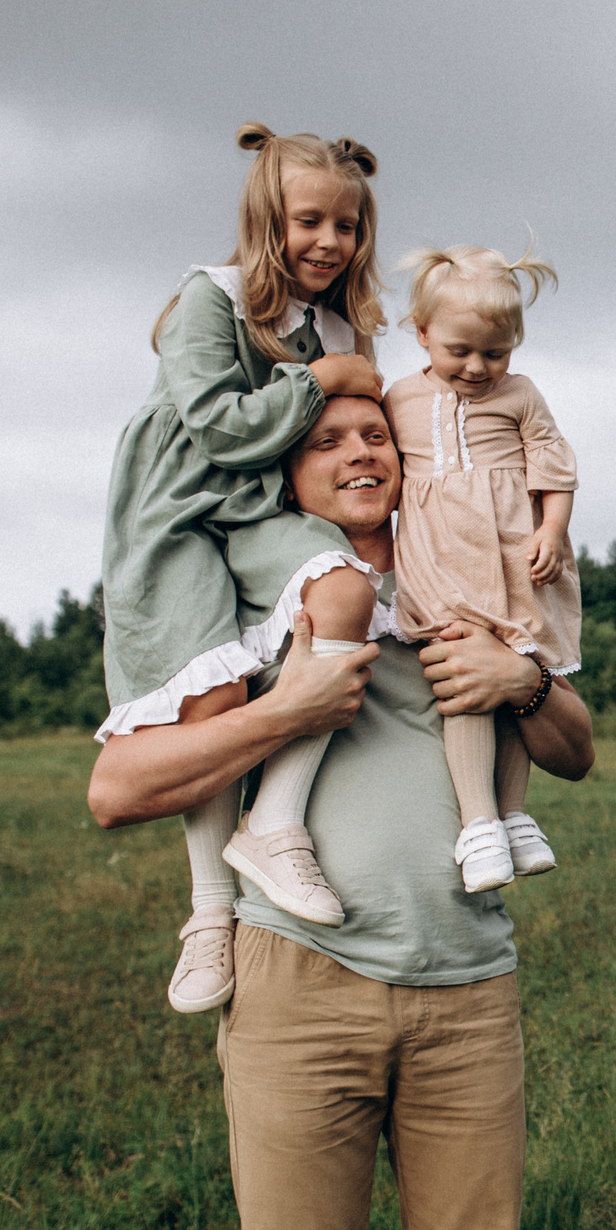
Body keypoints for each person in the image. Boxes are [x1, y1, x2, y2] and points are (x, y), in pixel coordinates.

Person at [88, 393, 592, 1230]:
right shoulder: (256, 604)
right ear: (287, 475)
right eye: (326, 441)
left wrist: (527, 681)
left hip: (468, 990)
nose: (359, 451)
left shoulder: (471, 571)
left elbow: (578, 747)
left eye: (375, 435)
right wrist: (286, 708)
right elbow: (114, 789)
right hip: (298, 993)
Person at [96, 123, 396, 1018]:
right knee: (213, 698)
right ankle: (208, 913)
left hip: (269, 511)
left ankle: (275, 825)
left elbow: (354, 443)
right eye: (310, 221)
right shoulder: (212, 298)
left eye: (346, 227)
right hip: (184, 506)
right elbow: (216, 426)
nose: (328, 243)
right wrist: (319, 380)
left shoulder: (344, 327)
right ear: (269, 219)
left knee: (343, 588)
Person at [384, 245, 581, 893]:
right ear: (422, 334)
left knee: (512, 666)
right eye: (459, 351)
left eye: (495, 353)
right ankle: (478, 822)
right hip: (441, 558)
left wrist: (553, 527)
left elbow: (554, 465)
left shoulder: (521, 395)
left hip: (512, 556)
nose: (477, 367)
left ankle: (515, 814)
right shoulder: (401, 397)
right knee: (462, 666)